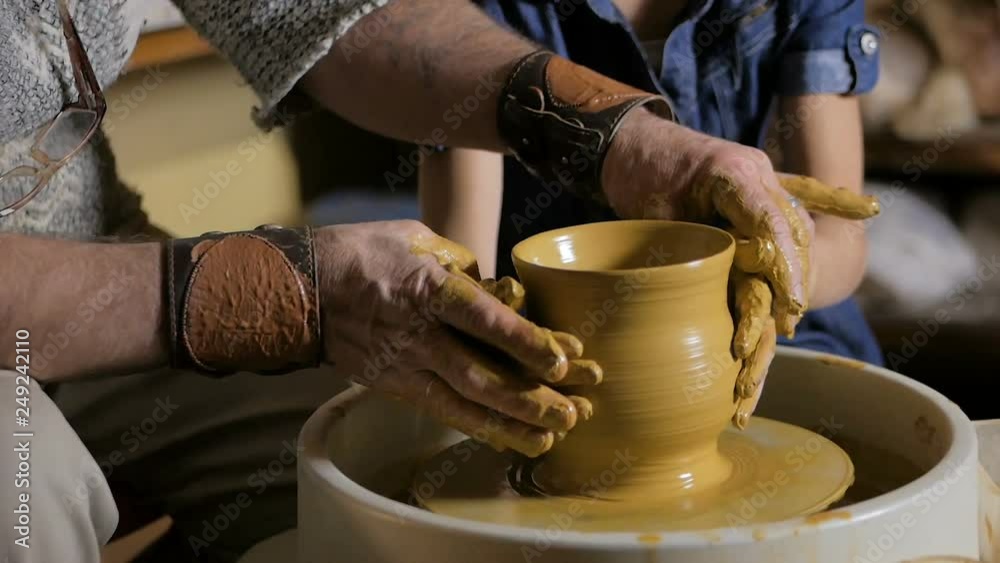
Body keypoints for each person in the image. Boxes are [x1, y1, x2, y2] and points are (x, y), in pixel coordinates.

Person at [0, 1, 876, 561]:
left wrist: (612, 134)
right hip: (23, 339)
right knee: (21, 492)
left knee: (377, 463)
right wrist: (289, 294)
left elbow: (337, 14)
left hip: (102, 260)